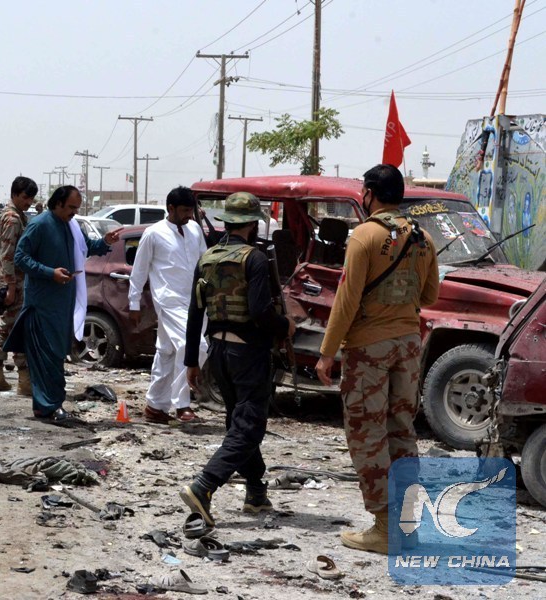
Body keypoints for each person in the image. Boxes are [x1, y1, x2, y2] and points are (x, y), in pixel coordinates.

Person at [315, 164, 439, 554]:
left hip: (368, 348)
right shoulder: (423, 238)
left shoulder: (364, 236)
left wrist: (326, 353)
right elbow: (430, 296)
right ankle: (406, 524)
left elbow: (346, 299)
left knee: (367, 433)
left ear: (369, 193)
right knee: (402, 431)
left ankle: (386, 529)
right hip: (408, 345)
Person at [180, 192, 294, 526]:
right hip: (248, 353)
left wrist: (191, 361)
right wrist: (285, 325)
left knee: (238, 421)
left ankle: (256, 492)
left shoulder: (207, 258)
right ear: (252, 224)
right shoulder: (254, 259)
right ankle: (204, 485)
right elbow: (260, 312)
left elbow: (194, 313)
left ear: (228, 222)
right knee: (249, 425)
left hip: (217, 352)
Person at [4, 186, 120, 421]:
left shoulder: (71, 226)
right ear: (58, 204)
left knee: (56, 356)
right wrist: (50, 273)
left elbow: (86, 247)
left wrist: (105, 242)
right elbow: (21, 258)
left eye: (77, 208)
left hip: (63, 303)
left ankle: (48, 406)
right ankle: (49, 406)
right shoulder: (40, 225)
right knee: (46, 358)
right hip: (43, 304)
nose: (75, 212)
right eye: (71, 207)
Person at [129, 186, 207, 424]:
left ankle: (155, 406)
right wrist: (134, 303)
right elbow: (139, 270)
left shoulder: (194, 229)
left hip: (195, 300)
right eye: (184, 211)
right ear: (170, 208)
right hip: (169, 300)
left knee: (167, 352)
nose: (189, 215)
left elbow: (204, 261)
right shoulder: (153, 233)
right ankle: (182, 404)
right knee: (194, 346)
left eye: (191, 210)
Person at [0, 176, 38, 394]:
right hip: (13, 281)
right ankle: (17, 377)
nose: (29, 202)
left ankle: (2, 375)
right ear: (15, 194)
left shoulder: (14, 215)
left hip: (13, 280)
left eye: (31, 198)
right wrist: (10, 287)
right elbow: (8, 254)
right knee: (13, 327)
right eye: (26, 197)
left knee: (10, 325)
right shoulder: (12, 219)